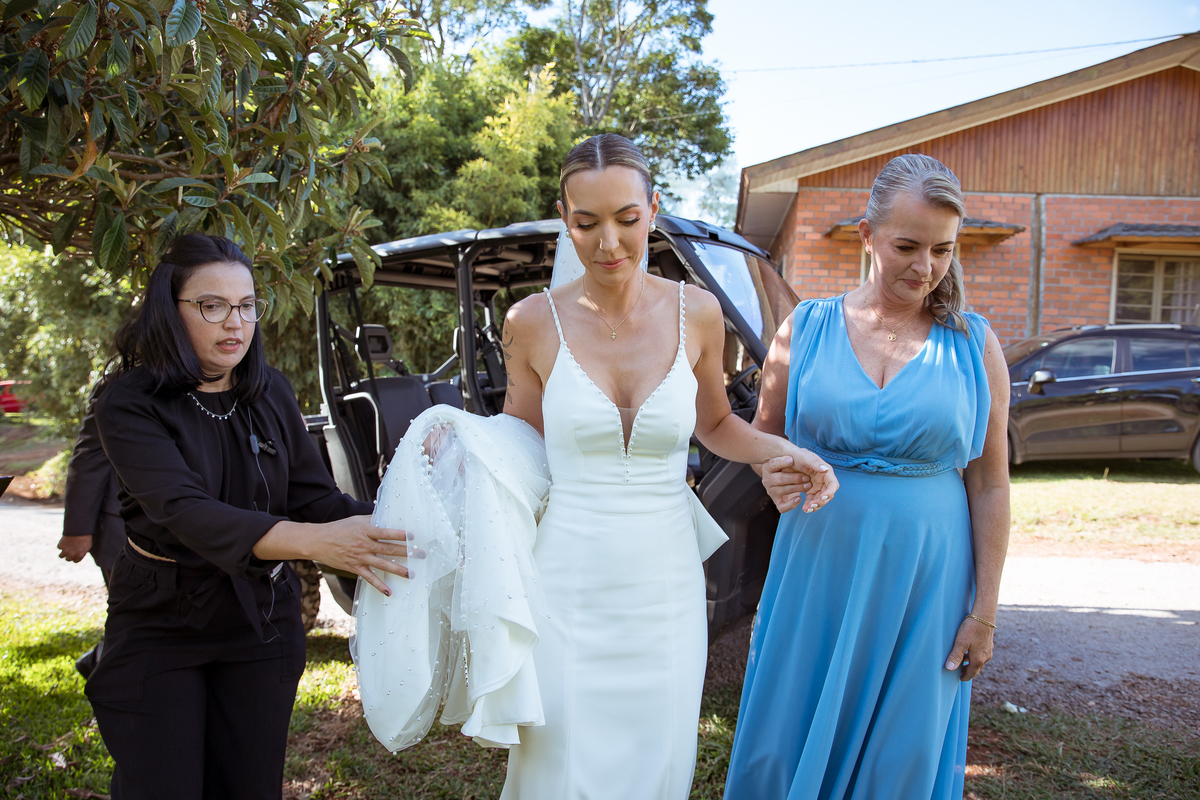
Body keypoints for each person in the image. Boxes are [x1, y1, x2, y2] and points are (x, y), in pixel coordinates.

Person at [493, 133, 840, 799]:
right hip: (566, 580)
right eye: (586, 224)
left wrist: (785, 450)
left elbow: (716, 425)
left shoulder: (698, 313)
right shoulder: (531, 322)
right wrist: (458, 443)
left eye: (627, 219)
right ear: (564, 219)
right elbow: (518, 440)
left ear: (652, 209)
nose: (609, 244)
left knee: (657, 756)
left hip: (666, 583)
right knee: (559, 760)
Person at [722, 154, 1011, 800]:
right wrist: (774, 471)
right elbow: (763, 441)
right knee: (788, 733)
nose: (926, 267)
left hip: (927, 583)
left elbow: (991, 484)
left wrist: (985, 613)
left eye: (942, 250)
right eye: (908, 246)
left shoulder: (975, 344)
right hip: (816, 566)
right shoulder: (806, 328)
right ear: (867, 236)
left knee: (901, 752)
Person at [87, 234, 413, 800]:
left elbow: (319, 503)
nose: (234, 323)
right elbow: (185, 511)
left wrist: (422, 521)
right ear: (170, 308)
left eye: (246, 305)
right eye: (212, 306)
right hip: (163, 621)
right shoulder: (128, 401)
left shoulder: (269, 391)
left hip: (262, 622)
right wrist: (315, 542)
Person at [57, 379, 126, 678]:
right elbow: (90, 455)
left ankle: (99, 662)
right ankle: (105, 672)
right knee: (131, 618)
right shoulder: (120, 382)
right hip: (120, 529)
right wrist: (77, 529)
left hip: (186, 529)